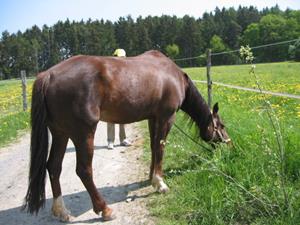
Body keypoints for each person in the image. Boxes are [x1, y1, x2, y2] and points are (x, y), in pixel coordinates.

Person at [107, 49, 131, 150]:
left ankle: (123, 139)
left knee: (122, 118)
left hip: (122, 97)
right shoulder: (109, 69)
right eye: (118, 57)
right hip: (111, 97)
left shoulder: (126, 69)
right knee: (110, 119)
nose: (120, 59)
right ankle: (110, 141)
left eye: (122, 58)